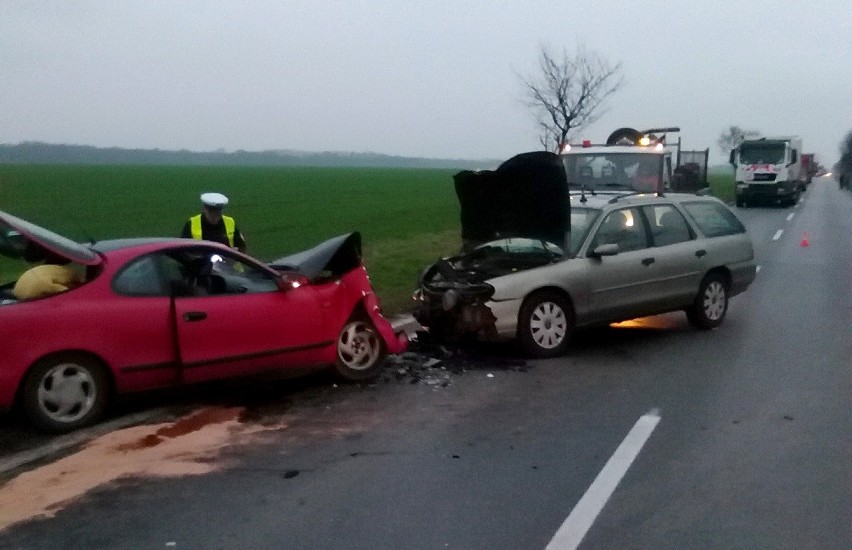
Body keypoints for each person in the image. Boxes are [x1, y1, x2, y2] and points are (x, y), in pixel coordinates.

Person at [180, 192, 247, 252]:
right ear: (204, 209)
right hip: (199, 263)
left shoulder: (230, 222)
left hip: (227, 263)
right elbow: (182, 249)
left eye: (218, 213)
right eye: (211, 213)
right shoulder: (192, 223)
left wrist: (236, 250)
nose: (215, 217)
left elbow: (242, 246)